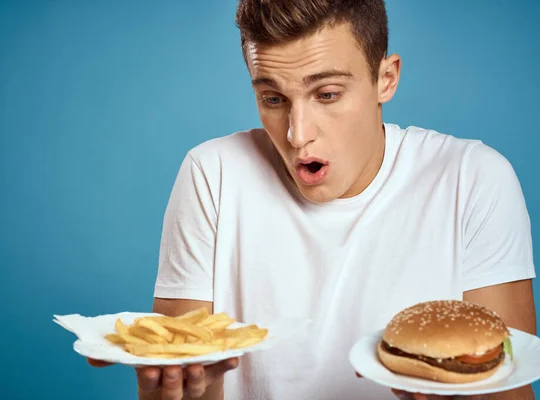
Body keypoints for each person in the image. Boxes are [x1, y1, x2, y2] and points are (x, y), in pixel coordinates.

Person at [89, 0, 538, 399]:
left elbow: (510, 388)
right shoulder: (213, 173)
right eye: (272, 98)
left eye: (327, 94)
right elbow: (180, 379)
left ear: (386, 78)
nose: (297, 133)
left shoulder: (472, 178)